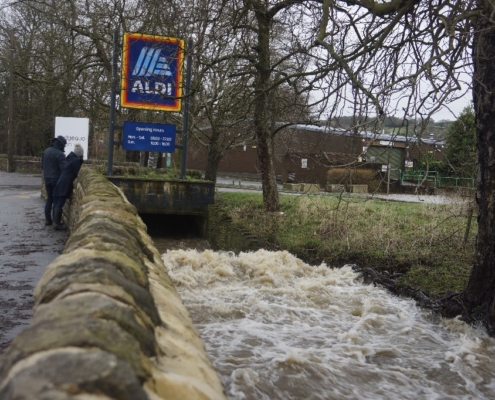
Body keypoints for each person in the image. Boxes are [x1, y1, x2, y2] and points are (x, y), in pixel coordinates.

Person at [52, 143, 84, 231]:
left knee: (58, 201)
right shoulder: (75, 161)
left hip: (61, 181)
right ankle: (56, 223)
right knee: (60, 203)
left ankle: (56, 222)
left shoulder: (70, 159)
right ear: (80, 153)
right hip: (65, 183)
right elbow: (78, 173)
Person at [41, 135, 67, 226]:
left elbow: (42, 166)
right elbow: (64, 169)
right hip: (56, 180)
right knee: (56, 200)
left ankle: (48, 219)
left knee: (49, 199)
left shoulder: (46, 151)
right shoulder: (60, 154)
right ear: (61, 144)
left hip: (47, 179)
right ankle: (56, 221)